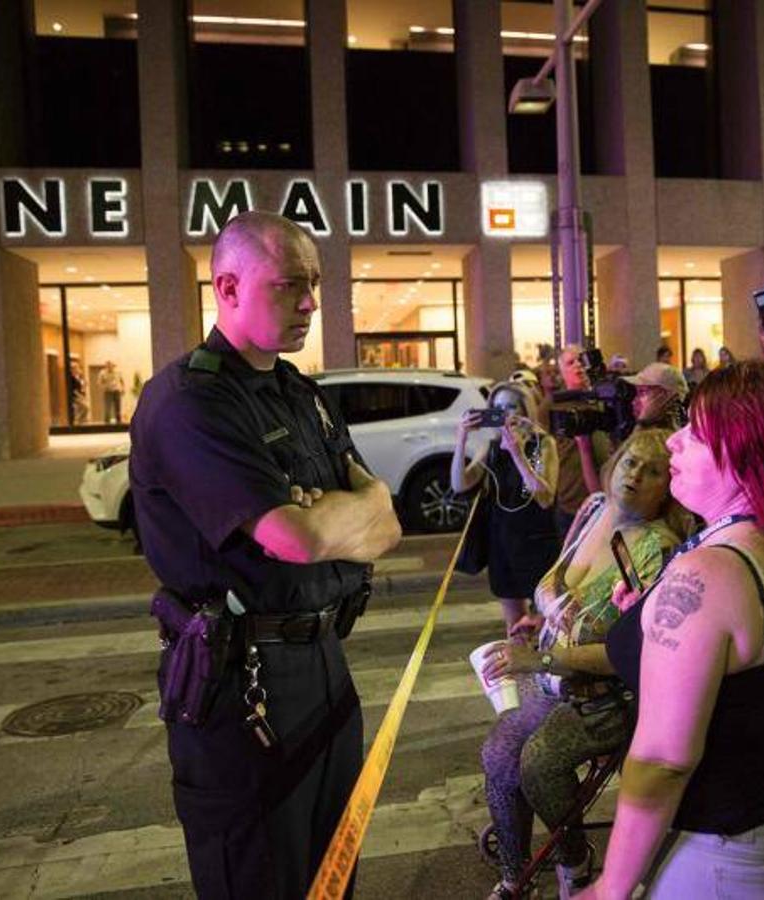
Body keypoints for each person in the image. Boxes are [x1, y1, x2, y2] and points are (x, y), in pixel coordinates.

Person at [128, 211, 402, 899]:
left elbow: (387, 520)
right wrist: (332, 517)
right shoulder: (190, 403)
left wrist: (332, 512)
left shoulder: (299, 393)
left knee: (332, 868)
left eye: (313, 283)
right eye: (289, 285)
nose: (310, 302)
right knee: (257, 874)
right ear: (226, 286)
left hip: (323, 663)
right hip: (238, 681)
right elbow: (294, 538)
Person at [583, 360, 764, 900]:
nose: (674, 442)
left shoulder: (711, 572)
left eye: (697, 433)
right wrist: (652, 618)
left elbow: (662, 761)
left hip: (730, 859)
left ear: (746, 458)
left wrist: (612, 886)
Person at [479, 429, 687, 900]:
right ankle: (515, 876)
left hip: (607, 697)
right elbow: (552, 575)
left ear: (668, 486)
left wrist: (538, 658)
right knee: (498, 753)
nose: (635, 475)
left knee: (539, 762)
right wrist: (546, 605)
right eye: (630, 462)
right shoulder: (595, 508)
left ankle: (573, 862)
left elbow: (632, 655)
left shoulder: (661, 548)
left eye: (653, 471)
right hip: (555, 683)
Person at [453, 382, 561, 631]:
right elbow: (460, 484)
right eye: (498, 407)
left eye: (511, 406)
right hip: (502, 541)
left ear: (525, 410)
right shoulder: (491, 448)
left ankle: (544, 667)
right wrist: (461, 440)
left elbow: (544, 496)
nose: (504, 413)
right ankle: (517, 666)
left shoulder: (541, 444)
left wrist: (517, 453)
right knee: (515, 626)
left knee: (546, 625)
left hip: (536, 541)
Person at [551, 346, 611, 536]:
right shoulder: (554, 405)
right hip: (571, 505)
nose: (578, 365)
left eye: (580, 360)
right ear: (562, 372)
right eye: (570, 362)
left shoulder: (604, 401)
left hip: (605, 500)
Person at [621, 362, 688, 432]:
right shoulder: (640, 431)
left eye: (642, 392)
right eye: (637, 393)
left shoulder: (672, 439)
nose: (634, 401)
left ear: (666, 395)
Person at [68, 359, 90, 426]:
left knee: (84, 408)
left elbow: (83, 385)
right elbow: (73, 389)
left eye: (78, 367)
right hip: (75, 396)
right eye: (76, 368)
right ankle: (78, 421)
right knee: (85, 407)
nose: (78, 369)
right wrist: (80, 396)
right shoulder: (71, 378)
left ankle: (82, 421)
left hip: (80, 395)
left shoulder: (78, 377)